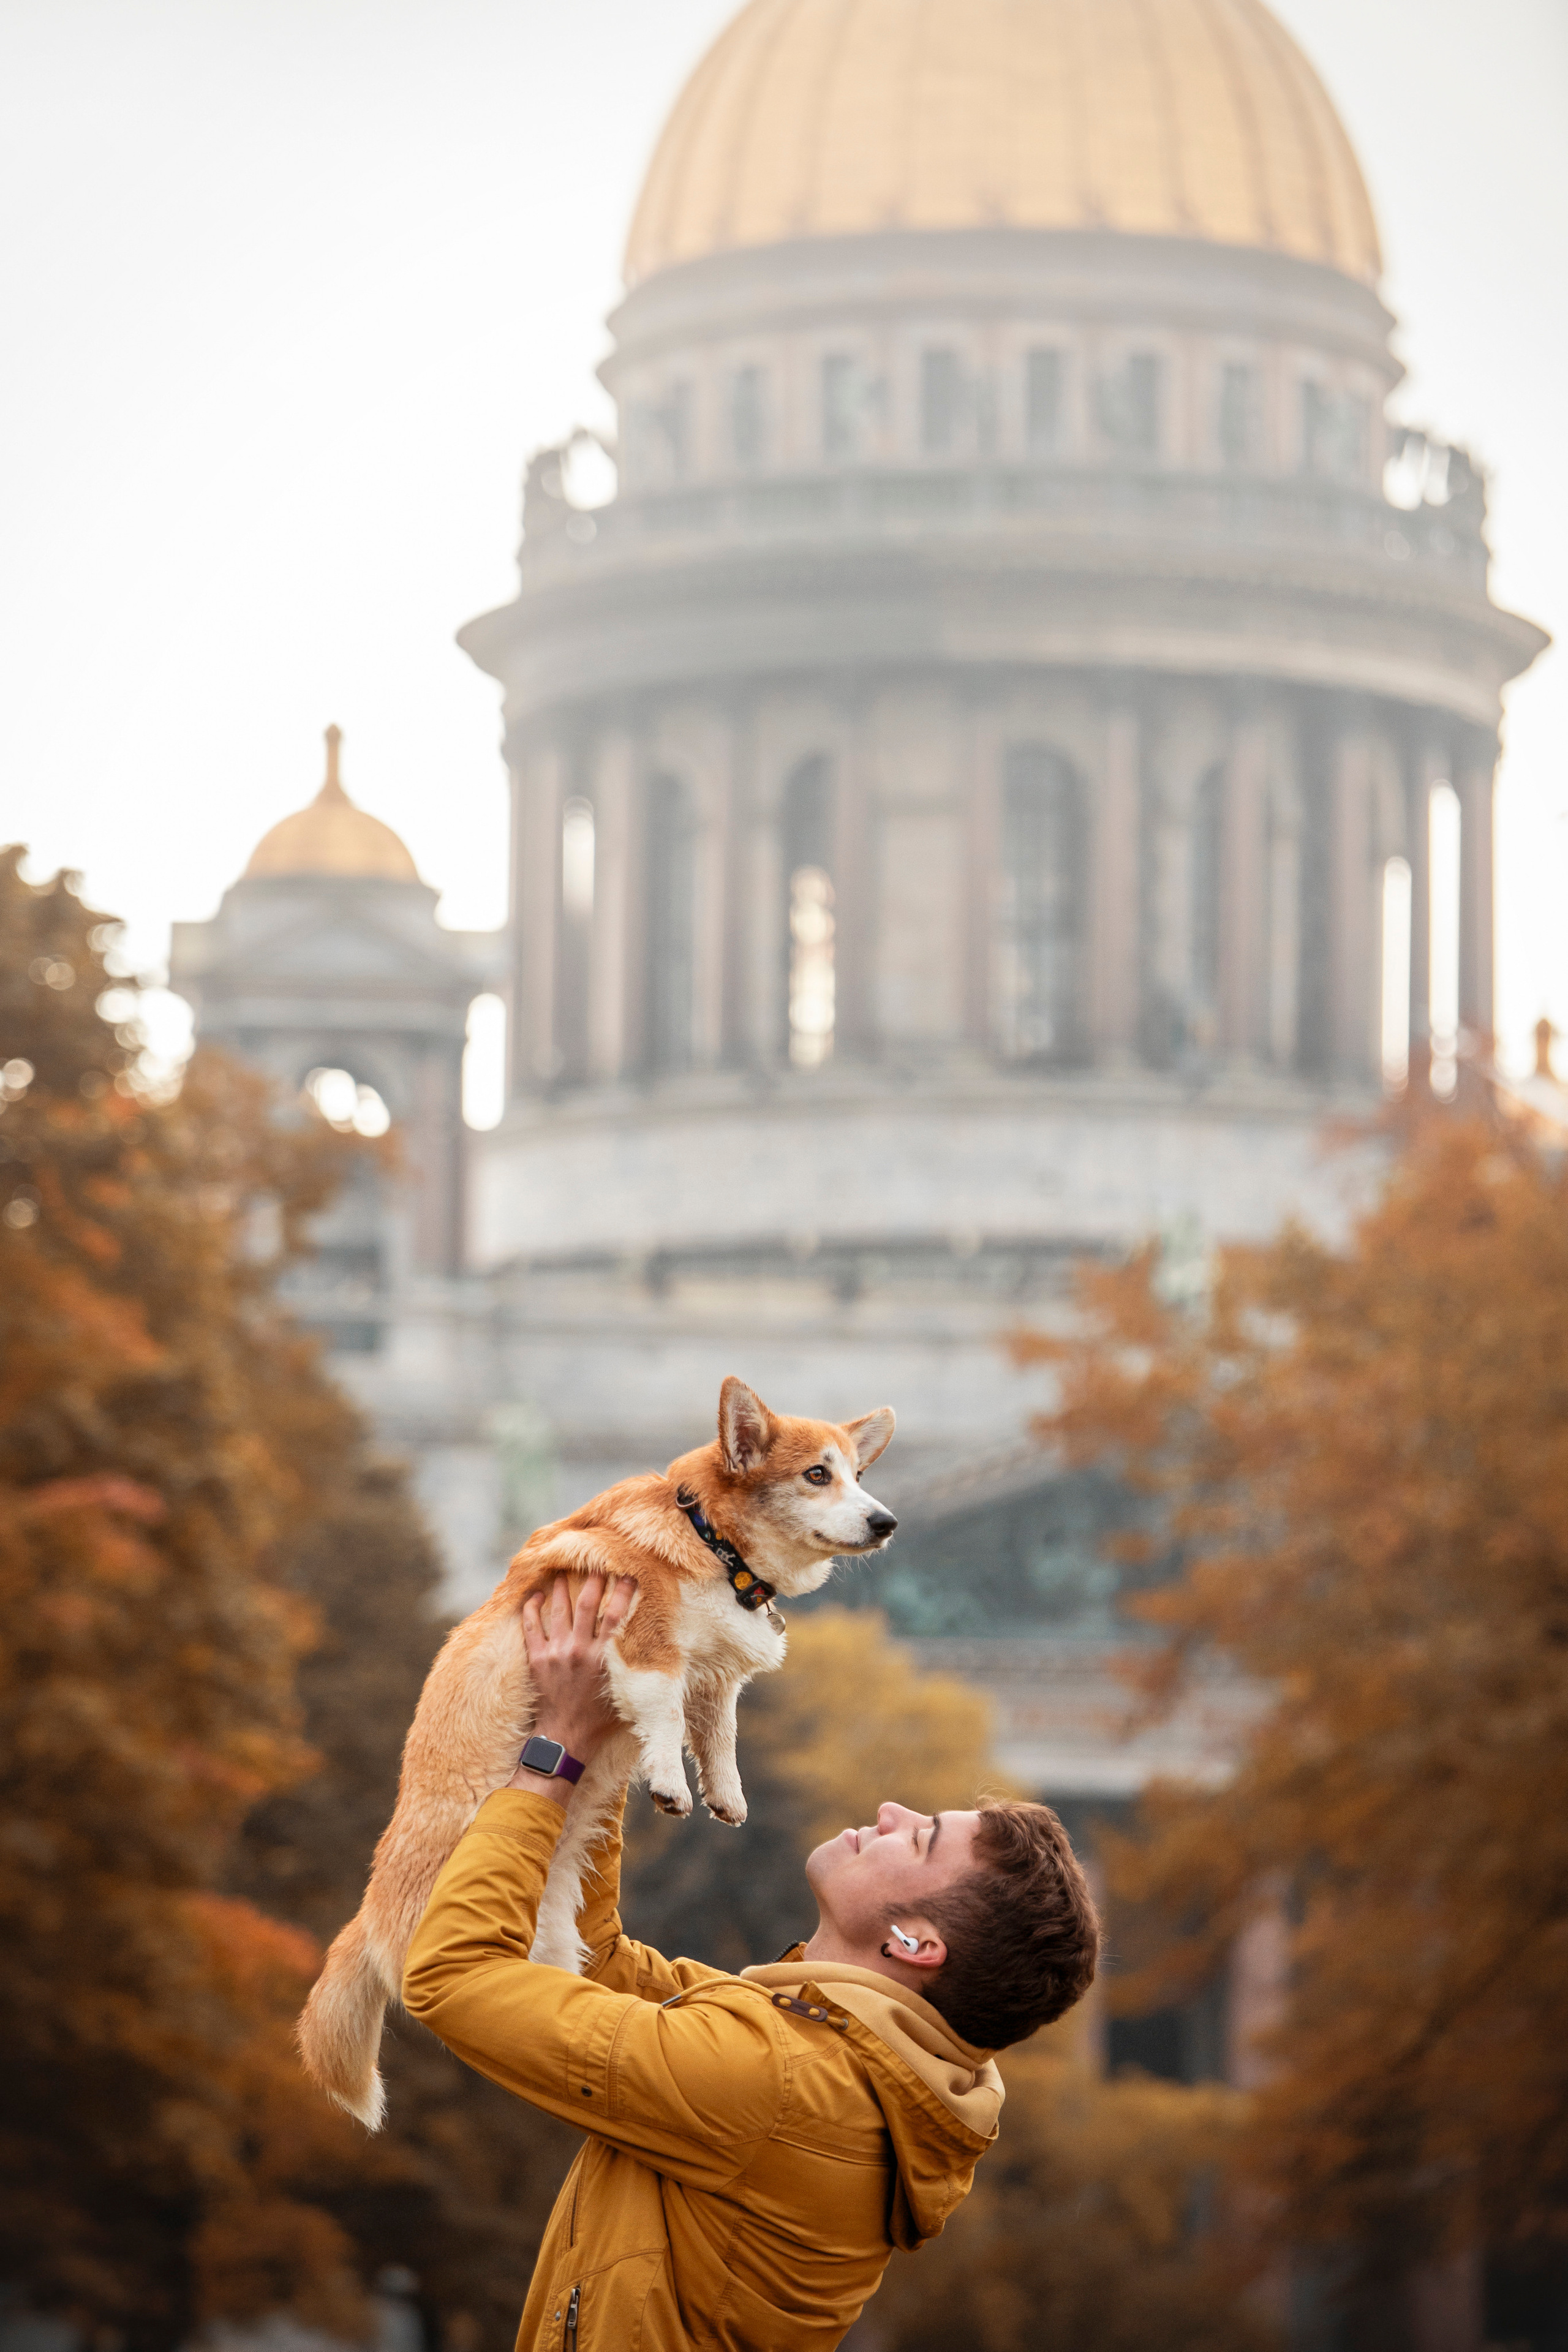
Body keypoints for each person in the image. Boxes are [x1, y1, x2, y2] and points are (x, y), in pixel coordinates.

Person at [404, 1574, 1100, 2352]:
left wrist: (554, 1753)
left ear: (913, 1945)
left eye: (923, 1838)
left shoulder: (776, 2082)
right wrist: (622, 1723)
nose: (891, 1813)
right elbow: (591, 1959)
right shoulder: (821, 2057)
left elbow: (452, 1977)